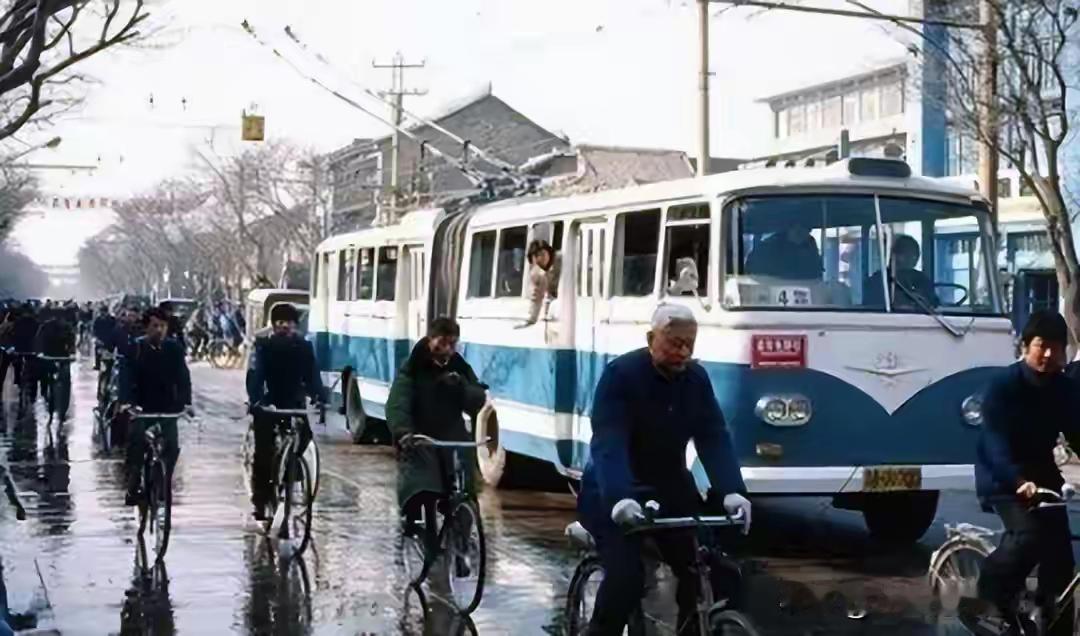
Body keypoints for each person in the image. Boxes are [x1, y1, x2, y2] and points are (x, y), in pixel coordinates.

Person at [577, 304, 751, 636]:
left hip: (670, 489)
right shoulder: (621, 375)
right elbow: (609, 442)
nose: (683, 351)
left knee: (712, 570)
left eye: (689, 343)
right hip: (613, 490)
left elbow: (713, 436)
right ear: (651, 338)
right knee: (627, 579)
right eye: (674, 343)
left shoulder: (696, 379)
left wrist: (732, 491)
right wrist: (620, 498)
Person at [966, 311, 1080, 636]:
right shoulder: (1003, 386)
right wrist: (1018, 482)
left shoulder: (1065, 389)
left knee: (1060, 557)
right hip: (1002, 475)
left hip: (1043, 474)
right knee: (1029, 536)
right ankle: (990, 598)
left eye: (1055, 347)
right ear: (1025, 346)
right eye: (1041, 345)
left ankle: (1053, 622)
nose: (1047, 354)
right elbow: (994, 442)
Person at [386, 318, 487, 549]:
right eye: (442, 343)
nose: (448, 350)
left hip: (453, 436)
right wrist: (403, 431)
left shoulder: (459, 367)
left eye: (453, 344)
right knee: (424, 484)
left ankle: (461, 537)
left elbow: (477, 399)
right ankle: (417, 528)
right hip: (420, 439)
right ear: (430, 340)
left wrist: (461, 387)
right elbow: (397, 403)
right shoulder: (413, 367)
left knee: (465, 490)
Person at [245, 303, 327, 520]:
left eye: (289, 323)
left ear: (295, 325)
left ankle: (291, 473)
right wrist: (257, 400)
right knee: (264, 451)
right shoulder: (263, 346)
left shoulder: (304, 347)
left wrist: (319, 396)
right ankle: (260, 500)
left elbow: (312, 376)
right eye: (280, 323)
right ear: (273, 326)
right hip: (268, 403)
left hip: (294, 403)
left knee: (304, 437)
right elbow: (255, 375)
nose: (285, 327)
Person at [118, 307, 193, 507]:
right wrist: (127, 402)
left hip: (168, 408)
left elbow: (183, 377)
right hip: (142, 407)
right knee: (136, 443)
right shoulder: (135, 348)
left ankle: (161, 481)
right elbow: (125, 377)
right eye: (154, 326)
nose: (158, 330)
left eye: (162, 326)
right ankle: (133, 485)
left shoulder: (174, 349)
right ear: (146, 328)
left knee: (172, 447)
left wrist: (186, 403)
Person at [863, 234, 939, 309]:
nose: (913, 258)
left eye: (915, 255)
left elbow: (934, 304)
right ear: (894, 255)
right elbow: (870, 308)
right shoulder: (879, 280)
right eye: (906, 254)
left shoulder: (921, 279)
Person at [744, 223, 823, 280]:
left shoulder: (810, 245)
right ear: (788, 227)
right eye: (797, 227)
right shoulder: (767, 248)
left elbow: (816, 276)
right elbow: (752, 276)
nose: (804, 232)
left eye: (807, 227)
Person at [517, 240, 560, 328]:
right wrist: (531, 319)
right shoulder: (537, 273)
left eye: (543, 254)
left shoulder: (561, 260)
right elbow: (536, 296)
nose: (541, 258)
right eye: (536, 256)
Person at [92, 304, 116, 371]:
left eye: (103, 312)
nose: (102, 313)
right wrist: (96, 338)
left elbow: (114, 330)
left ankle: (107, 366)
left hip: (109, 341)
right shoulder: (98, 319)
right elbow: (95, 329)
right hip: (101, 340)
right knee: (98, 352)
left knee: (108, 355)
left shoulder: (112, 319)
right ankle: (98, 364)